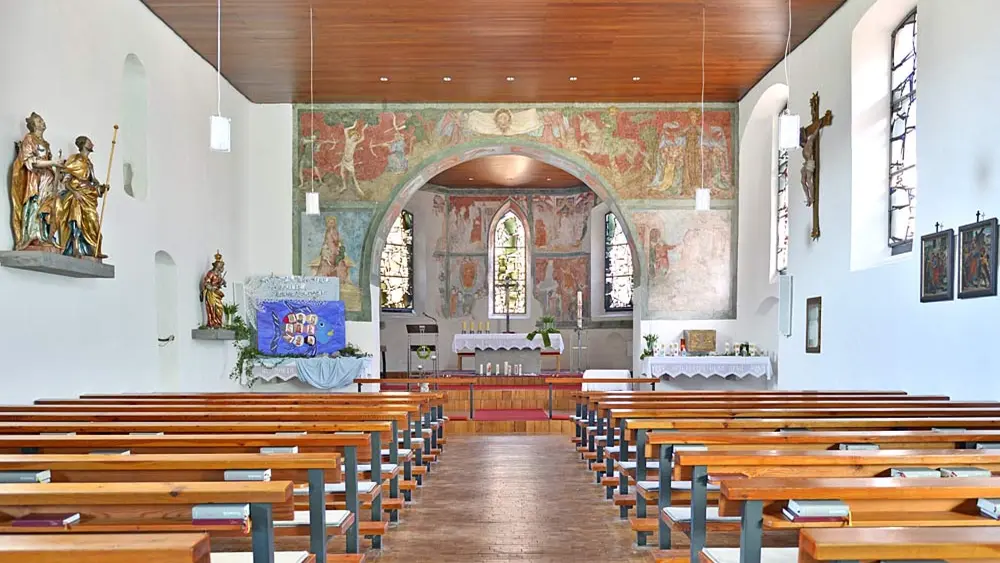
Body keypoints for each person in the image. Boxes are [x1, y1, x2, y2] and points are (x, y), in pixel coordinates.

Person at [9, 113, 64, 250]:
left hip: (49, 180)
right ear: (33, 125)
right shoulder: (29, 139)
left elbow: (50, 163)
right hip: (36, 180)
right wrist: (52, 163)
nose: (42, 122)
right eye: (39, 121)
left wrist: (59, 169)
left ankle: (47, 236)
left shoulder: (46, 144)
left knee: (54, 206)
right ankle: (34, 236)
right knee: (36, 206)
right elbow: (30, 162)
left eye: (42, 120)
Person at [57, 136, 109, 258]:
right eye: (90, 142)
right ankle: (75, 247)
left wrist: (101, 188)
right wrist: (74, 192)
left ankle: (95, 250)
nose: (92, 144)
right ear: (83, 145)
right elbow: (66, 180)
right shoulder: (75, 159)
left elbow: (92, 182)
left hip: (88, 196)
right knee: (76, 219)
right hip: (77, 195)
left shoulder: (89, 163)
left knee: (93, 222)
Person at [199, 252, 227, 328]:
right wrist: (211, 287)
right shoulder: (211, 273)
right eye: (221, 266)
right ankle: (212, 322)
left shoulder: (219, 274)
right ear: (217, 265)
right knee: (212, 307)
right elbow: (206, 283)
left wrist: (223, 282)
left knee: (220, 308)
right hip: (211, 293)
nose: (221, 268)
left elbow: (220, 281)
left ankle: (218, 322)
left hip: (217, 293)